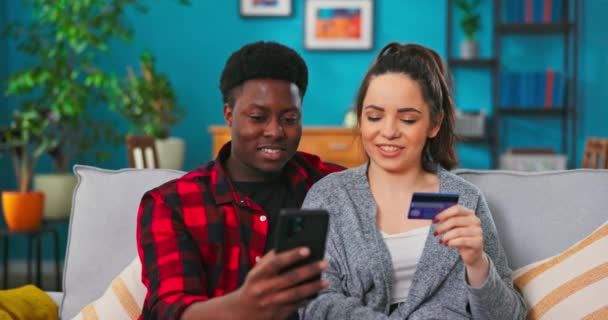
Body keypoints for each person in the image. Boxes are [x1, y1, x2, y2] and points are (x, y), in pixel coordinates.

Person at [300, 42, 527, 319]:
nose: (388, 131)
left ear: (434, 124)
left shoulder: (465, 199)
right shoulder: (329, 196)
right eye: (374, 116)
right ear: (360, 119)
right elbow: (313, 302)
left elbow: (509, 316)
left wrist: (477, 263)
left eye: (407, 119)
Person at [136, 41, 343, 320]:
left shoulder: (328, 182)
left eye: (290, 118)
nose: (275, 131)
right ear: (229, 115)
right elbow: (170, 311)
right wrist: (246, 305)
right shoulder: (172, 203)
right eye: (258, 117)